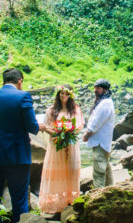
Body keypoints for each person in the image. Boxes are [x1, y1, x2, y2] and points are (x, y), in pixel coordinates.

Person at [0, 68, 49, 223]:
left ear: (3, 81)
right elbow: (31, 126)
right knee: (19, 199)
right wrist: (39, 126)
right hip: (16, 156)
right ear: (20, 81)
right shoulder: (23, 96)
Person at [39, 84, 84, 214]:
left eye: (66, 93)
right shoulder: (52, 110)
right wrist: (56, 132)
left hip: (71, 145)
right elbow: (45, 126)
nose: (63, 96)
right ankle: (57, 202)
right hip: (55, 145)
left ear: (70, 95)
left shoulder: (75, 109)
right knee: (57, 172)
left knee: (70, 171)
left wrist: (67, 131)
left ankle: (70, 200)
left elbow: (78, 127)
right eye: (61, 93)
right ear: (58, 94)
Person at [83, 79, 115, 188]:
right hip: (102, 141)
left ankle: (97, 193)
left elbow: (96, 122)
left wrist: (87, 134)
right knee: (105, 167)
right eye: (95, 87)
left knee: (99, 171)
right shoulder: (104, 102)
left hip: (100, 142)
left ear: (105, 90)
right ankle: (111, 189)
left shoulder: (105, 104)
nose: (95, 90)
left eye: (98, 88)